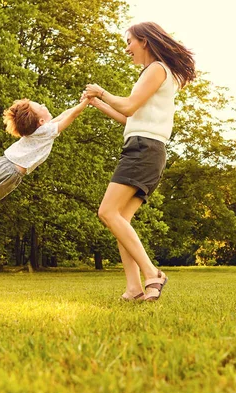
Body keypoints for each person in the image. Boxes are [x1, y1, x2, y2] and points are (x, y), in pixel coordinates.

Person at [83, 22, 196, 301]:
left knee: (107, 212)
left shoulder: (156, 69)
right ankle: (134, 288)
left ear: (145, 41)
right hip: (145, 148)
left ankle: (152, 273)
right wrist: (99, 104)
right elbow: (129, 117)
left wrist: (101, 91)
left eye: (130, 41)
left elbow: (130, 105)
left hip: (143, 149)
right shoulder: (156, 72)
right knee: (121, 218)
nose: (127, 48)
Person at [0, 97, 90, 222]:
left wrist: (81, 102)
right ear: (42, 121)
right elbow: (71, 115)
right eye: (41, 106)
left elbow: (65, 113)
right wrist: (86, 102)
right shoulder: (48, 131)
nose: (44, 105)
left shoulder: (38, 129)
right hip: (13, 172)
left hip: (0, 162)